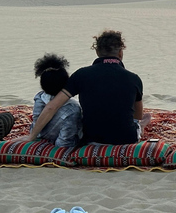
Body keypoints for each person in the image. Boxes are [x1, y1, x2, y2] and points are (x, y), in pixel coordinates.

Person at [20, 30, 149, 145]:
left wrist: (31, 136)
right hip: (126, 138)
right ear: (120, 53)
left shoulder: (81, 75)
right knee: (138, 122)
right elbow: (137, 115)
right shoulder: (134, 79)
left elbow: (52, 106)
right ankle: (141, 127)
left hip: (92, 138)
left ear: (97, 51)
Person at [31, 53, 82, 147]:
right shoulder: (72, 109)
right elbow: (65, 141)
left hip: (40, 136)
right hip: (61, 142)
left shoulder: (39, 97)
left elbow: (35, 123)